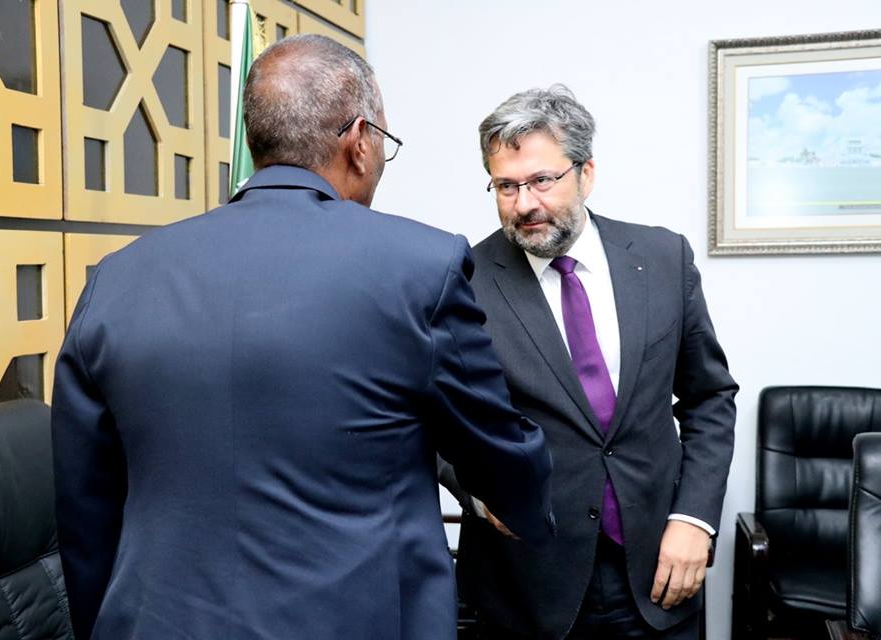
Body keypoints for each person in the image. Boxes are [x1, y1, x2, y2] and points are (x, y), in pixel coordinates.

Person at [51, 35, 555, 640]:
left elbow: (85, 508)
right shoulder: (419, 267)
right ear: (360, 140)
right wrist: (528, 509)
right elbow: (495, 449)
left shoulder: (115, 279)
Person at [440, 85, 738, 639]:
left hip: (658, 570)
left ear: (586, 173)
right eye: (506, 186)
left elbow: (709, 397)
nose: (524, 204)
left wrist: (695, 518)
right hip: (526, 584)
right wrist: (478, 495)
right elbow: (432, 417)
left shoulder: (663, 258)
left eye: (542, 180)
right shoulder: (460, 280)